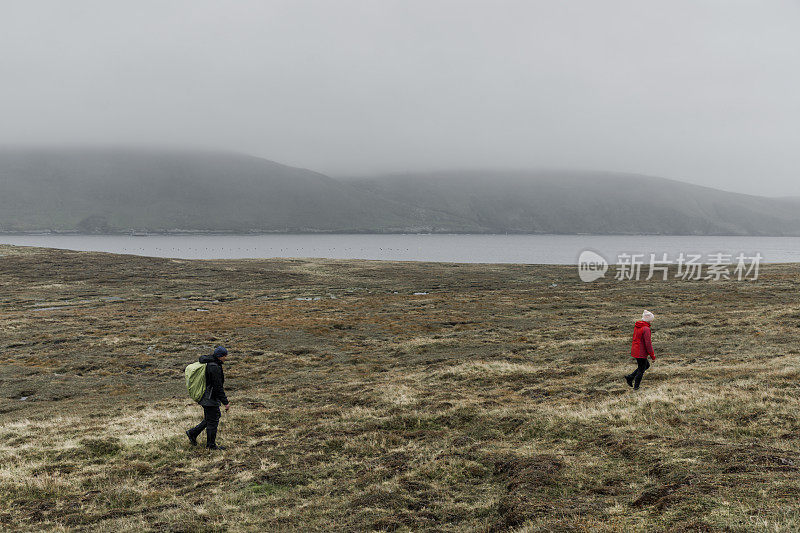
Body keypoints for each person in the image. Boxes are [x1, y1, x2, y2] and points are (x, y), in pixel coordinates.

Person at [186, 346, 230, 449]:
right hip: (209, 397)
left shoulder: (211, 363)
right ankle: (211, 445)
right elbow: (217, 386)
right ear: (220, 356)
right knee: (213, 420)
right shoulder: (214, 367)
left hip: (206, 397)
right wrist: (225, 402)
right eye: (225, 356)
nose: (226, 358)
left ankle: (193, 433)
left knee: (211, 418)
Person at [625, 310, 656, 390]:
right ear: (648, 320)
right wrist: (652, 356)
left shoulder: (638, 326)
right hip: (640, 352)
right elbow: (648, 344)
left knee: (646, 365)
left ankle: (630, 377)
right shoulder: (646, 329)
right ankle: (636, 387)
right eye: (652, 319)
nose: (652, 321)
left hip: (635, 350)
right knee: (641, 369)